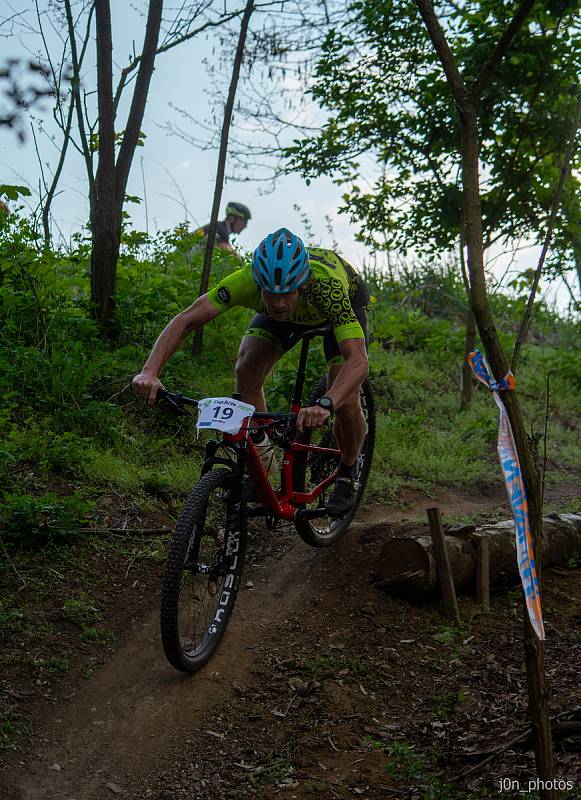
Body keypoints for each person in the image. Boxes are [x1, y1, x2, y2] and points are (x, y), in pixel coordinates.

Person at [133, 228, 370, 516]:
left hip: (338, 308)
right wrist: (150, 371)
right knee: (246, 369)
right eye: (271, 293)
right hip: (285, 320)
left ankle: (348, 468)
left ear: (302, 285)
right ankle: (263, 464)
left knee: (345, 397)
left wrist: (326, 403)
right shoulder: (245, 281)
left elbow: (358, 361)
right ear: (259, 284)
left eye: (286, 293)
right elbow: (186, 320)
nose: (279, 302)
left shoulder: (326, 287)